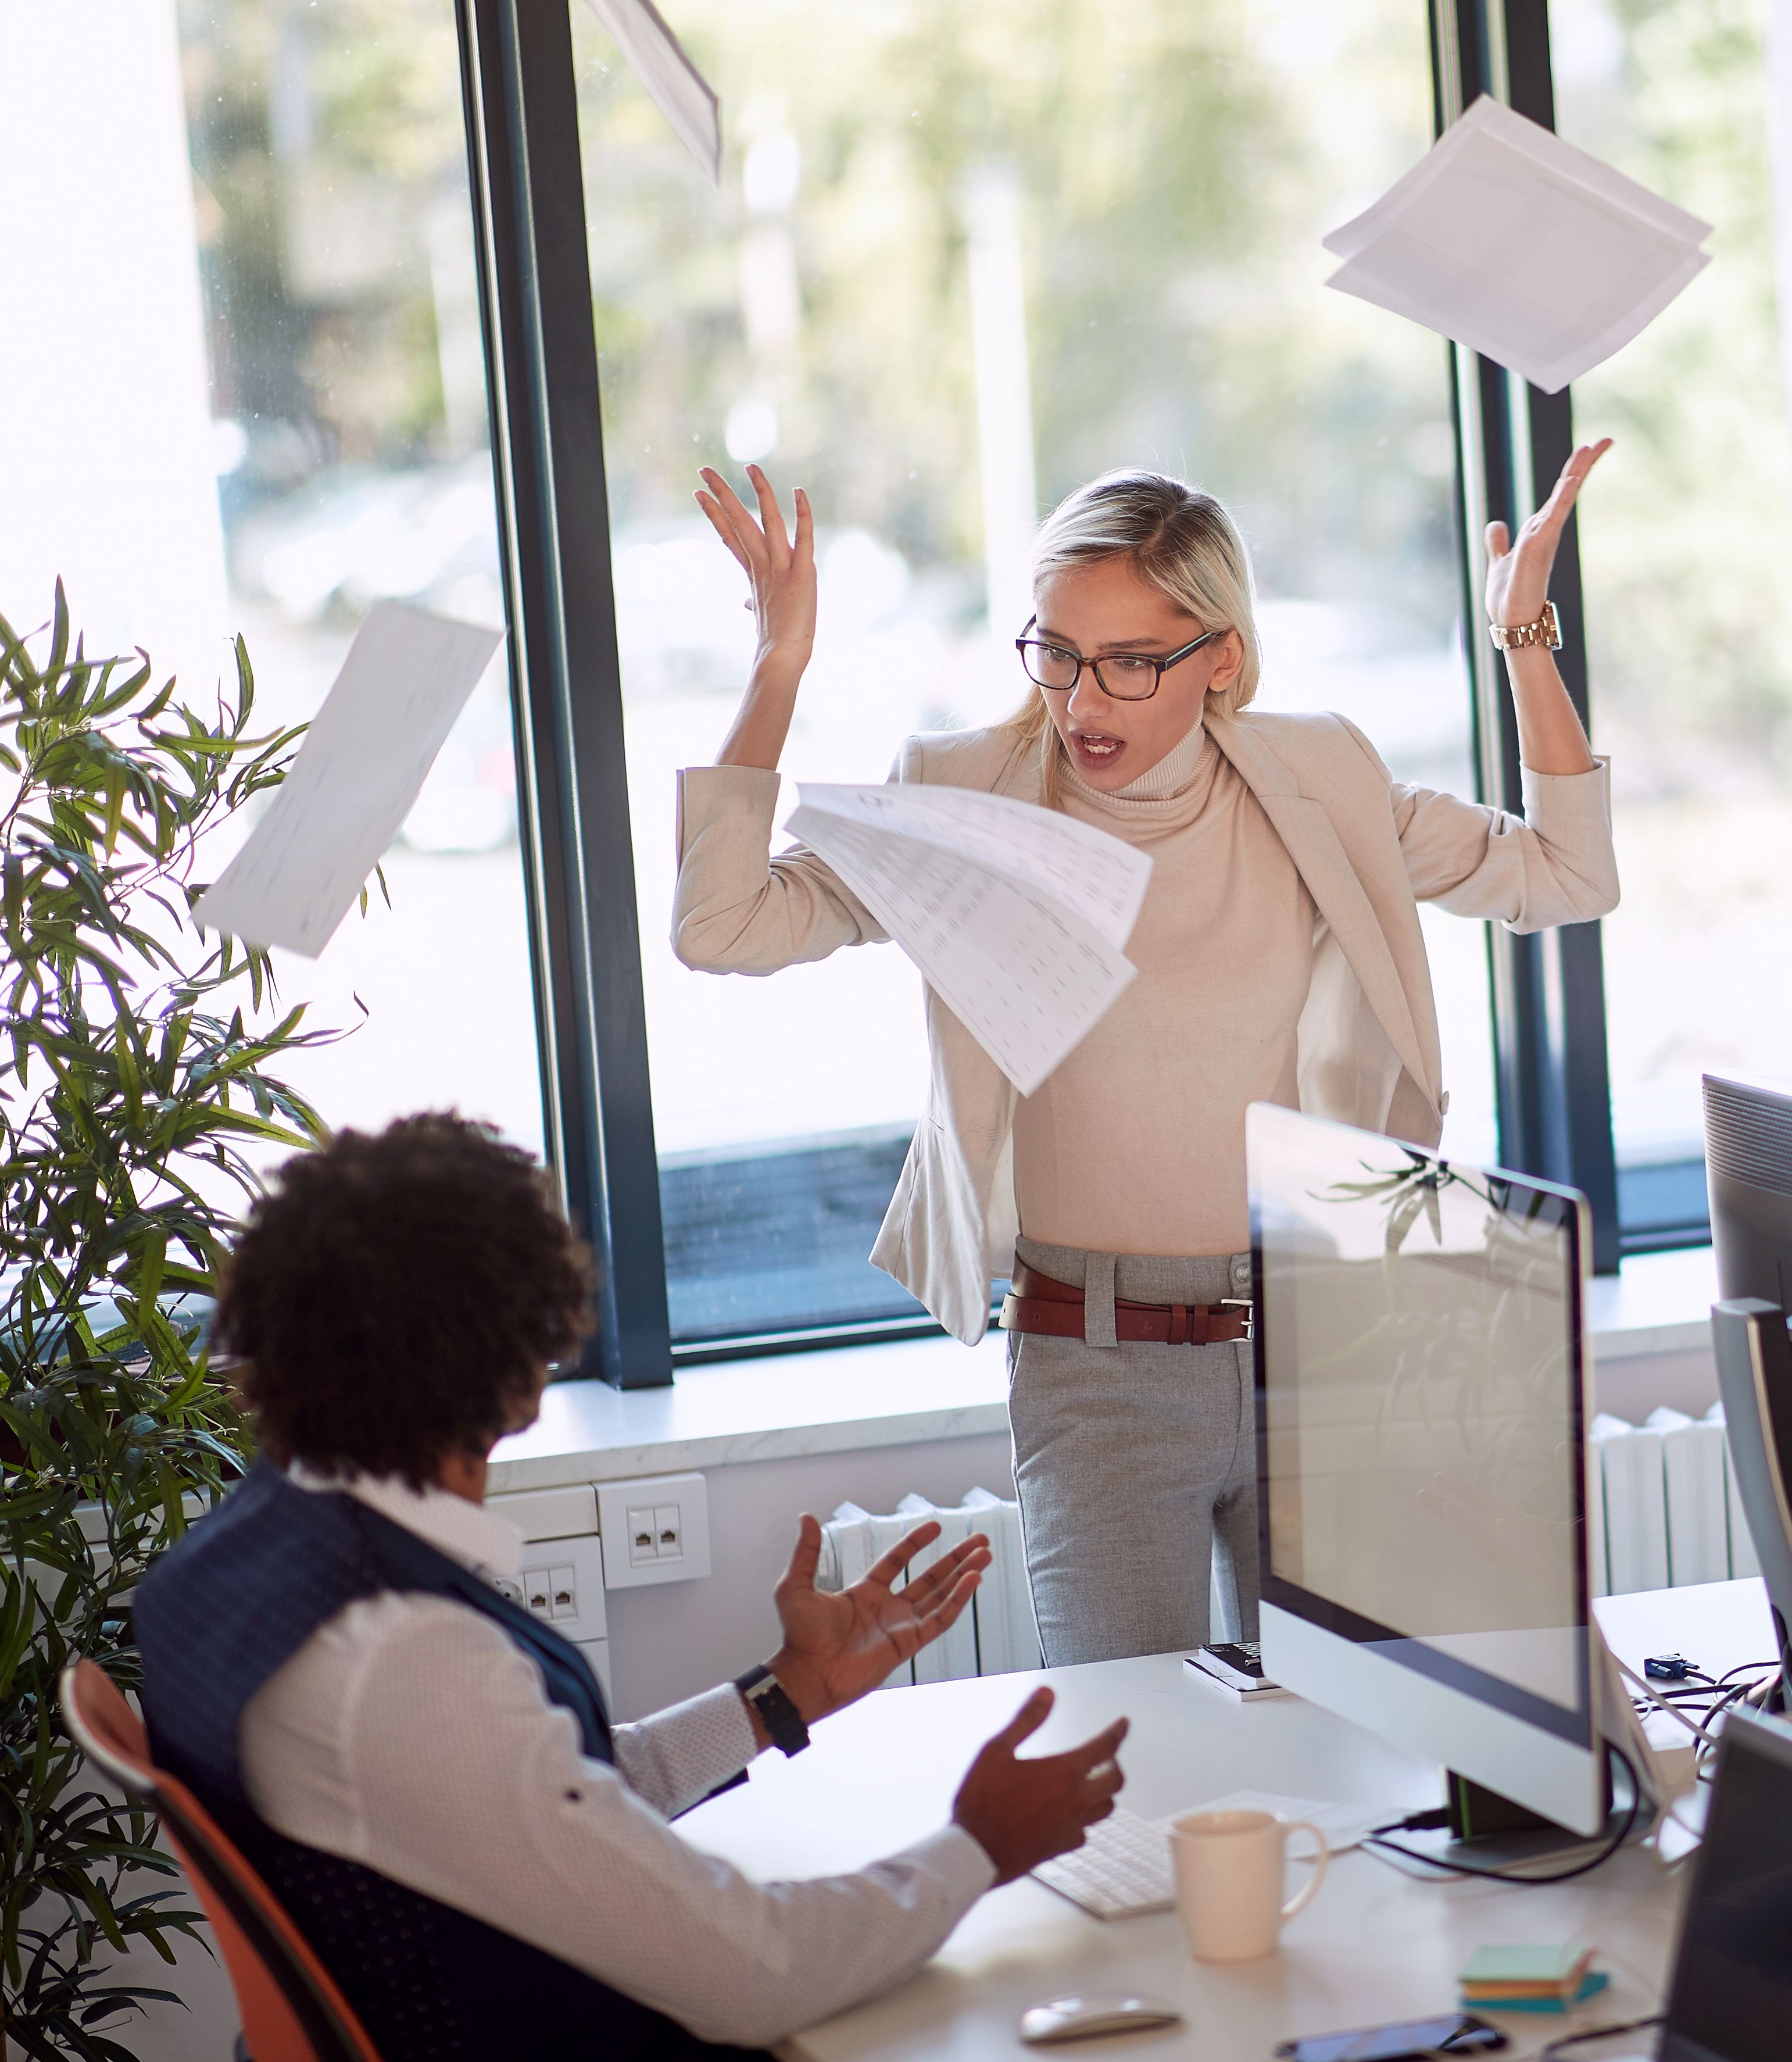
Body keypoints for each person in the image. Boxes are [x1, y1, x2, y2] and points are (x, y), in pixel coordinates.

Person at [673, 452, 1620, 1667]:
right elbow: (723, 927)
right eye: (1056, 653)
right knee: (1133, 1773)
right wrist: (776, 669)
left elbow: (1565, 871)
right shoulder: (968, 795)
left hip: (1319, 1340)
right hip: (1095, 1370)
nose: (1083, 701)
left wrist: (1523, 639)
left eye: (1129, 662)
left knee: (1353, 1758)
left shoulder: (1321, 780)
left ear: (1219, 654)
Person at [138, 1114, 1129, 2059]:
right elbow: (761, 1972)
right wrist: (978, 1849)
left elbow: (556, 1794)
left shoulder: (239, 1555)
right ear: (523, 1370)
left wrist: (787, 1692)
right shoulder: (400, 1654)